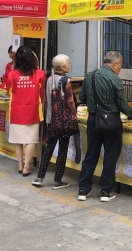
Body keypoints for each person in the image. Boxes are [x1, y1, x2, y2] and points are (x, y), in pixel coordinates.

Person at [77, 51, 132, 202]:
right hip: (111, 121)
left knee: (91, 155)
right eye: (120, 66)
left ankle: (83, 190)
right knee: (110, 156)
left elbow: (82, 97)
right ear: (115, 64)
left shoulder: (90, 76)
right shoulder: (114, 79)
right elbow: (122, 104)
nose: (120, 69)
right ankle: (105, 192)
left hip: (93, 119)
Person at [32, 54, 77, 189]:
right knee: (62, 150)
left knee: (48, 149)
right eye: (68, 63)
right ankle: (57, 181)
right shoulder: (66, 81)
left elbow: (46, 100)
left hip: (51, 120)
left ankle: (39, 178)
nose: (69, 65)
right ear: (62, 67)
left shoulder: (49, 79)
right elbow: (70, 101)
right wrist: (74, 114)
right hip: (64, 122)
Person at [7, 46, 46, 176]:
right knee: (31, 140)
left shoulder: (12, 74)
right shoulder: (40, 73)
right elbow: (42, 93)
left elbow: (9, 90)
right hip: (33, 111)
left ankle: (20, 165)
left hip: (16, 111)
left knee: (18, 140)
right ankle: (27, 167)